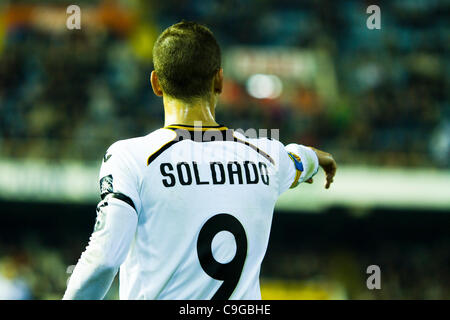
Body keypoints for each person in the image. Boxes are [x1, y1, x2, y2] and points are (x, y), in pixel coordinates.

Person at [63, 21, 336, 300]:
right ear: (219, 80)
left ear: (156, 83)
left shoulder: (131, 158)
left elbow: (105, 259)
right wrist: (318, 157)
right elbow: (298, 160)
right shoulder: (268, 156)